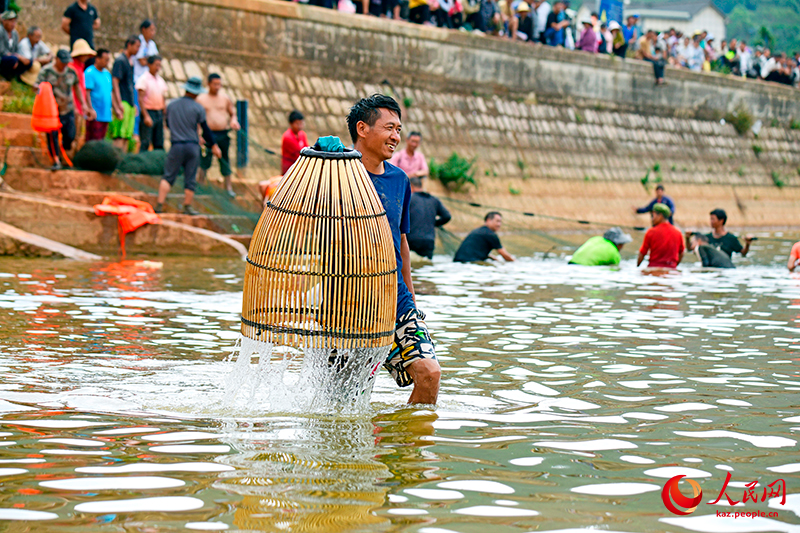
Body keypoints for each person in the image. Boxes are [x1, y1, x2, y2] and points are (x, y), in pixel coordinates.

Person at [346, 94, 440, 405]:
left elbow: (401, 239)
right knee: (346, 399)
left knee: (429, 374)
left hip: (394, 296)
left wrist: (411, 296)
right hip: (347, 302)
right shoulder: (339, 174)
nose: (396, 137)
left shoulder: (400, 179)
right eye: (389, 128)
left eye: (399, 129)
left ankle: (403, 450)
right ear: (362, 129)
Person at [155, 77, 221, 216]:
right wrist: (214, 145)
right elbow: (205, 129)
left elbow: (167, 124)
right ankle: (187, 206)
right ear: (196, 93)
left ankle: (160, 204)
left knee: (168, 176)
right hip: (192, 146)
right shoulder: (198, 108)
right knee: (190, 177)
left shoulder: (171, 105)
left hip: (176, 145)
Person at [36, 49, 88, 169]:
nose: (64, 64)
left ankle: (63, 152)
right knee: (52, 136)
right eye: (62, 61)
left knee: (70, 135)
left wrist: (83, 104)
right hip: (52, 111)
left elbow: (77, 87)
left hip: (68, 108)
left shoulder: (71, 72)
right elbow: (36, 86)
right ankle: (56, 161)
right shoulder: (46, 71)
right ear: (57, 59)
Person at [196, 73, 240, 197]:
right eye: (215, 84)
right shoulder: (201, 99)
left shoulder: (225, 98)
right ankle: (200, 183)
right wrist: (198, 135)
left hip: (222, 133)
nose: (217, 87)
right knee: (204, 160)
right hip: (207, 134)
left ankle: (228, 187)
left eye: (219, 84)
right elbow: (198, 119)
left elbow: (232, 113)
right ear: (209, 84)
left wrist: (233, 121)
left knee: (225, 159)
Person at [109, 36, 140, 152]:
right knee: (119, 135)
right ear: (129, 45)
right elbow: (115, 82)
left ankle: (122, 163)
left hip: (129, 102)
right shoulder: (120, 61)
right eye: (136, 46)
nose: (138, 50)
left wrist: (133, 104)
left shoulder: (130, 62)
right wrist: (118, 103)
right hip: (123, 101)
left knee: (127, 135)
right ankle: (115, 161)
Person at [407, 177, 451, 259]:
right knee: (426, 265)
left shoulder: (409, 198)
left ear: (411, 186)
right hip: (429, 240)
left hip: (412, 239)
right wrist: (434, 223)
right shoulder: (433, 200)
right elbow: (447, 216)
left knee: (411, 266)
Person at [637, 203, 684, 269]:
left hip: (653, 268)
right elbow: (681, 253)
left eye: (653, 216)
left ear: (660, 216)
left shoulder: (651, 232)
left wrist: (637, 266)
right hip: (671, 269)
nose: (652, 219)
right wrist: (674, 266)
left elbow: (642, 252)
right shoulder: (678, 232)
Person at [135, 55, 167, 152]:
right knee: (145, 141)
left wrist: (164, 116)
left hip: (159, 113)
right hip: (149, 112)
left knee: (159, 141)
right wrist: (146, 116)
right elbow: (140, 99)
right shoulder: (143, 79)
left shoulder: (161, 80)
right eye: (156, 65)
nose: (158, 68)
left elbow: (163, 98)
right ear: (149, 65)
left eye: (159, 66)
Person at [69, 38, 95, 151]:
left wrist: (85, 106)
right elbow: (70, 89)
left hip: (80, 108)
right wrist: (75, 106)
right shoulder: (71, 68)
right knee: (72, 135)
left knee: (78, 134)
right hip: (73, 107)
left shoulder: (81, 68)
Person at [83, 48, 112, 142]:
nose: (107, 62)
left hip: (105, 114)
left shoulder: (107, 74)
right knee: (92, 141)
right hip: (95, 114)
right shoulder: (90, 72)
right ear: (97, 59)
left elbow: (110, 92)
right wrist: (90, 109)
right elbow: (87, 92)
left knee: (101, 140)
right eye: (105, 60)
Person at [280, 109, 308, 175]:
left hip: (300, 169)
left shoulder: (302, 134)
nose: (299, 126)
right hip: (290, 171)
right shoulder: (288, 137)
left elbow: (307, 148)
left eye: (301, 123)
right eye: (297, 124)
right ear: (291, 124)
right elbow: (299, 154)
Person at [0, 11, 25, 81]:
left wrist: (18, 57)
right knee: (13, 59)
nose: (13, 24)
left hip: (12, 57)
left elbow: (16, 49)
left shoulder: (15, 34)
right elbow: (2, 51)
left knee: (28, 61)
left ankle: (15, 76)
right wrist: (16, 57)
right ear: (4, 21)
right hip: (2, 58)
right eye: (10, 21)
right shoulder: (1, 31)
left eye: (14, 21)